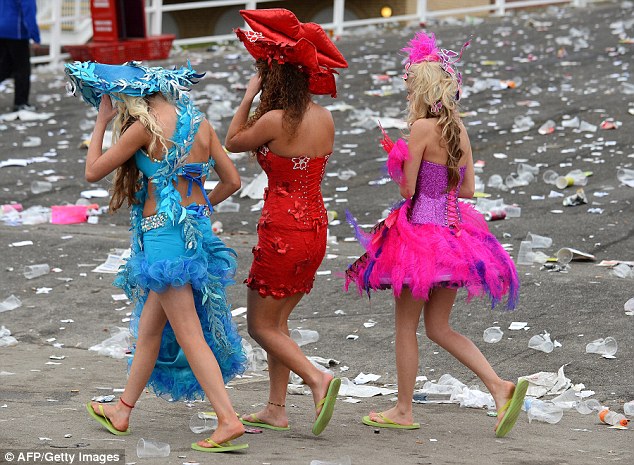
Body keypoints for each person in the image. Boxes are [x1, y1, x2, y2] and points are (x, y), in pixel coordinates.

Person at [344, 31, 527, 438]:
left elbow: (408, 190)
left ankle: (404, 409)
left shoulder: (422, 130)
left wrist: (399, 160)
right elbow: (467, 192)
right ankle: (498, 386)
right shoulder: (459, 132)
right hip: (455, 236)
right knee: (439, 327)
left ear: (421, 90)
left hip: (418, 238)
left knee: (406, 327)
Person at [65, 61, 248, 453]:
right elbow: (232, 181)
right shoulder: (199, 122)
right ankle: (122, 410)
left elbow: (93, 171)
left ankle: (228, 420)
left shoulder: (144, 128)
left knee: (189, 334)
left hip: (164, 243)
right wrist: (196, 209)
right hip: (194, 236)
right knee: (148, 332)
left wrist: (101, 122)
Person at [224, 8, 348, 436]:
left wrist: (248, 96)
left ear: (274, 80)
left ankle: (317, 378)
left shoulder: (275, 120)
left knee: (259, 325)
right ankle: (276, 408)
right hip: (315, 227)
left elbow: (233, 140)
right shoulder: (325, 118)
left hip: (282, 231)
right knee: (278, 323)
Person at [0, 0, 40, 112]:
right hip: (16, 33)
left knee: (4, 68)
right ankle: (21, 103)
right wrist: (35, 36)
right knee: (22, 70)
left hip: (1, 30)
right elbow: (29, 11)